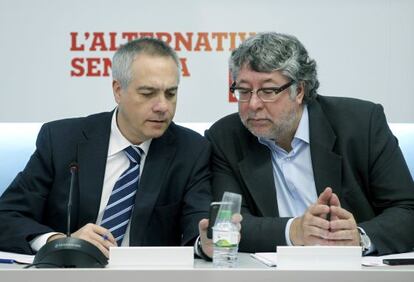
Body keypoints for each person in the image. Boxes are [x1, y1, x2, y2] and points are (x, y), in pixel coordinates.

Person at [0, 37, 214, 259]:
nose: (163, 106)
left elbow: (198, 225)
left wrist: (204, 243)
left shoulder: (191, 150)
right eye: (148, 93)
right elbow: (7, 216)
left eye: (171, 94)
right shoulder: (62, 141)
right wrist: (61, 242)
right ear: (118, 90)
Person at [205, 32, 414, 255]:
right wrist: (294, 231)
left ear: (299, 91)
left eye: (268, 91)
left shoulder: (361, 124)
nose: (253, 104)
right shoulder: (225, 137)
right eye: (244, 91)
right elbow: (228, 222)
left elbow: (407, 210)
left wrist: (357, 238)